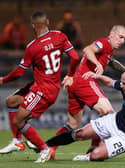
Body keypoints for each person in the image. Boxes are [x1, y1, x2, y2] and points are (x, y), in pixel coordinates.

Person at [29, 25, 125, 159]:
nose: (122, 41)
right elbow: (87, 50)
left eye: (124, 39)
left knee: (72, 124)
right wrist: (97, 64)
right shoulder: (104, 43)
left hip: (75, 84)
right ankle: (95, 146)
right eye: (120, 37)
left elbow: (112, 63)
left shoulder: (108, 50)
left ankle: (49, 149)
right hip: (85, 82)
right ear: (111, 34)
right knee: (108, 113)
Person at [0, 11, 80, 163]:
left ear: (32, 26)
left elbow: (20, 72)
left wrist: (3, 80)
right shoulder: (60, 36)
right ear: (47, 22)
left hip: (43, 90)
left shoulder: (33, 47)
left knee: (18, 121)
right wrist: (70, 75)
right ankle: (17, 140)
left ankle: (44, 149)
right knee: (11, 101)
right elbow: (75, 57)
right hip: (45, 86)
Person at [44, 69, 125, 161]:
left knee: (96, 155)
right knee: (80, 134)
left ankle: (88, 158)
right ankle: (44, 146)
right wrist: (98, 77)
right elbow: (110, 82)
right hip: (114, 121)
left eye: (124, 84)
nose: (121, 86)